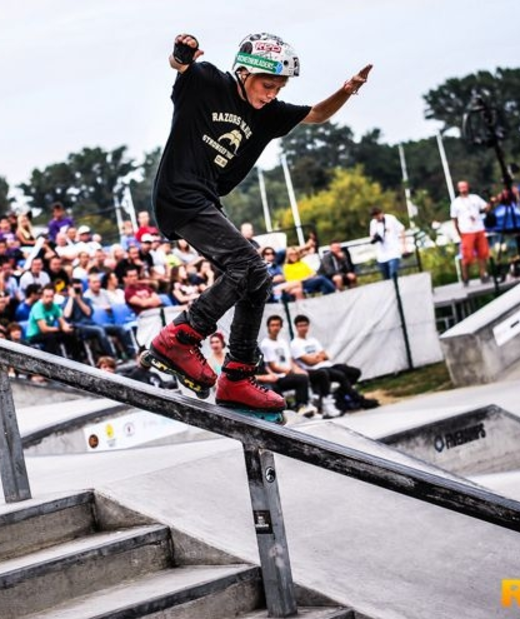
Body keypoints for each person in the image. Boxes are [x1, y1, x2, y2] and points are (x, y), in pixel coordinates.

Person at [145, 31, 371, 414]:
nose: (271, 94)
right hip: (178, 193)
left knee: (258, 277)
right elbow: (180, 65)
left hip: (205, 200)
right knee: (247, 265)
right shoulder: (207, 82)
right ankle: (181, 337)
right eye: (267, 85)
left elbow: (316, 114)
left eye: (278, 88)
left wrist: (346, 91)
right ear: (245, 72)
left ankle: (236, 376)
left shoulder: (270, 114)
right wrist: (180, 53)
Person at [289, 315, 378, 411]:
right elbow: (309, 362)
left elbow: (326, 356)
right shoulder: (295, 344)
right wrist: (318, 357)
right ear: (296, 327)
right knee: (341, 376)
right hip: (317, 370)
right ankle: (359, 400)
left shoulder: (313, 340)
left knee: (354, 372)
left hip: (329, 365)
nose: (303, 328)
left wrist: (316, 357)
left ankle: (339, 395)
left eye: (305, 325)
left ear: (308, 326)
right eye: (300, 326)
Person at [259, 315, 323, 417]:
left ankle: (307, 406)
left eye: (277, 325)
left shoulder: (283, 342)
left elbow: (290, 360)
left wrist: (298, 369)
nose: (275, 327)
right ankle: (300, 407)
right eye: (272, 325)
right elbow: (273, 366)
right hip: (277, 377)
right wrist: (289, 371)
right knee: (302, 378)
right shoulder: (265, 344)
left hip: (288, 373)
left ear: (281, 326)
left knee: (305, 375)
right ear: (268, 327)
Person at [450, 180, 491, 285]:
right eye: (461, 187)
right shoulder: (456, 203)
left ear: (468, 187)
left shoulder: (475, 198)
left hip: (479, 228)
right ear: (458, 189)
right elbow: (454, 220)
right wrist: (459, 233)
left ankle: (483, 274)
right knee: (467, 256)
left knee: (483, 253)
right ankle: (465, 277)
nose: (463, 189)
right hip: (466, 231)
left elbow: (485, 207)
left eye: (465, 187)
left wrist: (490, 202)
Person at [369, 206, 407, 281]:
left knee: (393, 273)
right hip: (381, 254)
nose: (377, 219)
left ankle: (397, 291)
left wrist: (404, 246)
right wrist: (375, 238)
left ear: (381, 213)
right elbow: (372, 236)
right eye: (375, 218)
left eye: (378, 216)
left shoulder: (390, 219)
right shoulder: (373, 223)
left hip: (393, 251)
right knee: (386, 278)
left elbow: (401, 229)